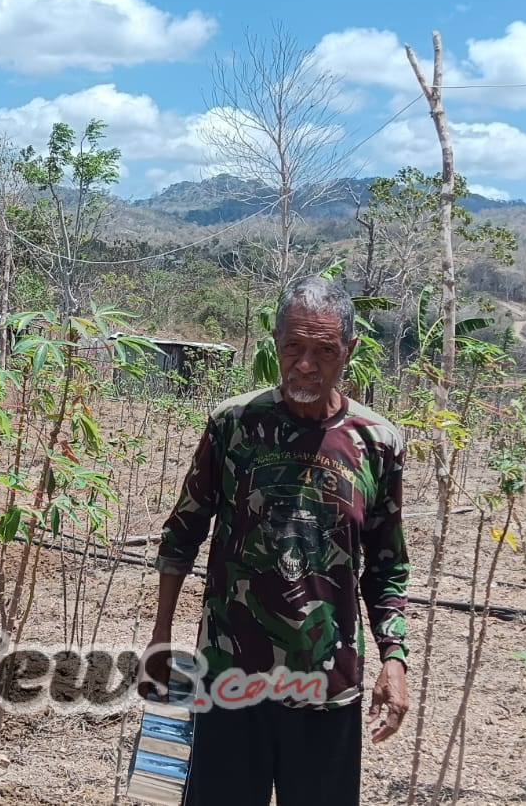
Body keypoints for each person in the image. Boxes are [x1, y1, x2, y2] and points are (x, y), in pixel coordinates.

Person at [139, 276, 410, 806]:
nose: (306, 364)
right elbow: (183, 532)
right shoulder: (234, 425)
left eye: (324, 351)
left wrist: (393, 659)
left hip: (327, 685)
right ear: (276, 342)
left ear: (348, 351)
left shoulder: (376, 442)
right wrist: (162, 635)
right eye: (294, 347)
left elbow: (386, 565)